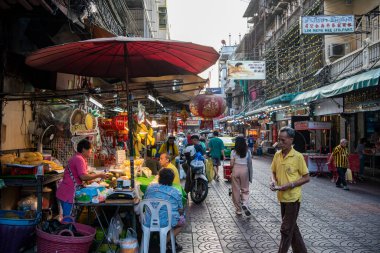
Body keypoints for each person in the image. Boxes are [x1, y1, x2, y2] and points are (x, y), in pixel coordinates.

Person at [270, 127, 310, 253]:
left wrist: (290, 185)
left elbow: (306, 177)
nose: (280, 143)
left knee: (286, 229)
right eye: (279, 140)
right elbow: (273, 171)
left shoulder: (298, 157)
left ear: (291, 140)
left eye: (283, 140)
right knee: (293, 228)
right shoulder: (277, 155)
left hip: (293, 198)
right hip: (282, 197)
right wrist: (272, 181)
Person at [56, 139, 107, 219]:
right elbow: (83, 176)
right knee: (68, 220)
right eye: (90, 149)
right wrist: (99, 175)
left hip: (67, 192)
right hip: (68, 193)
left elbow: (81, 176)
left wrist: (92, 178)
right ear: (84, 149)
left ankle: (70, 231)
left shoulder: (79, 158)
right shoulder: (79, 159)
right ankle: (66, 231)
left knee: (71, 219)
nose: (91, 151)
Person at [144, 169, 184, 252]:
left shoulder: (149, 188)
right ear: (172, 180)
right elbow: (180, 209)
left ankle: (152, 240)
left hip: (148, 221)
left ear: (159, 178)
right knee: (181, 222)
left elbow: (145, 201)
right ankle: (164, 242)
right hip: (167, 222)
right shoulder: (176, 192)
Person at [230, 136, 252, 216]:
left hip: (236, 169)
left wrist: (231, 170)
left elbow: (231, 164)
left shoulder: (233, 152)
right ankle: (245, 204)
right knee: (245, 189)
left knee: (235, 190)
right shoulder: (248, 151)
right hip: (245, 170)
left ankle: (238, 209)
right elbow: (250, 163)